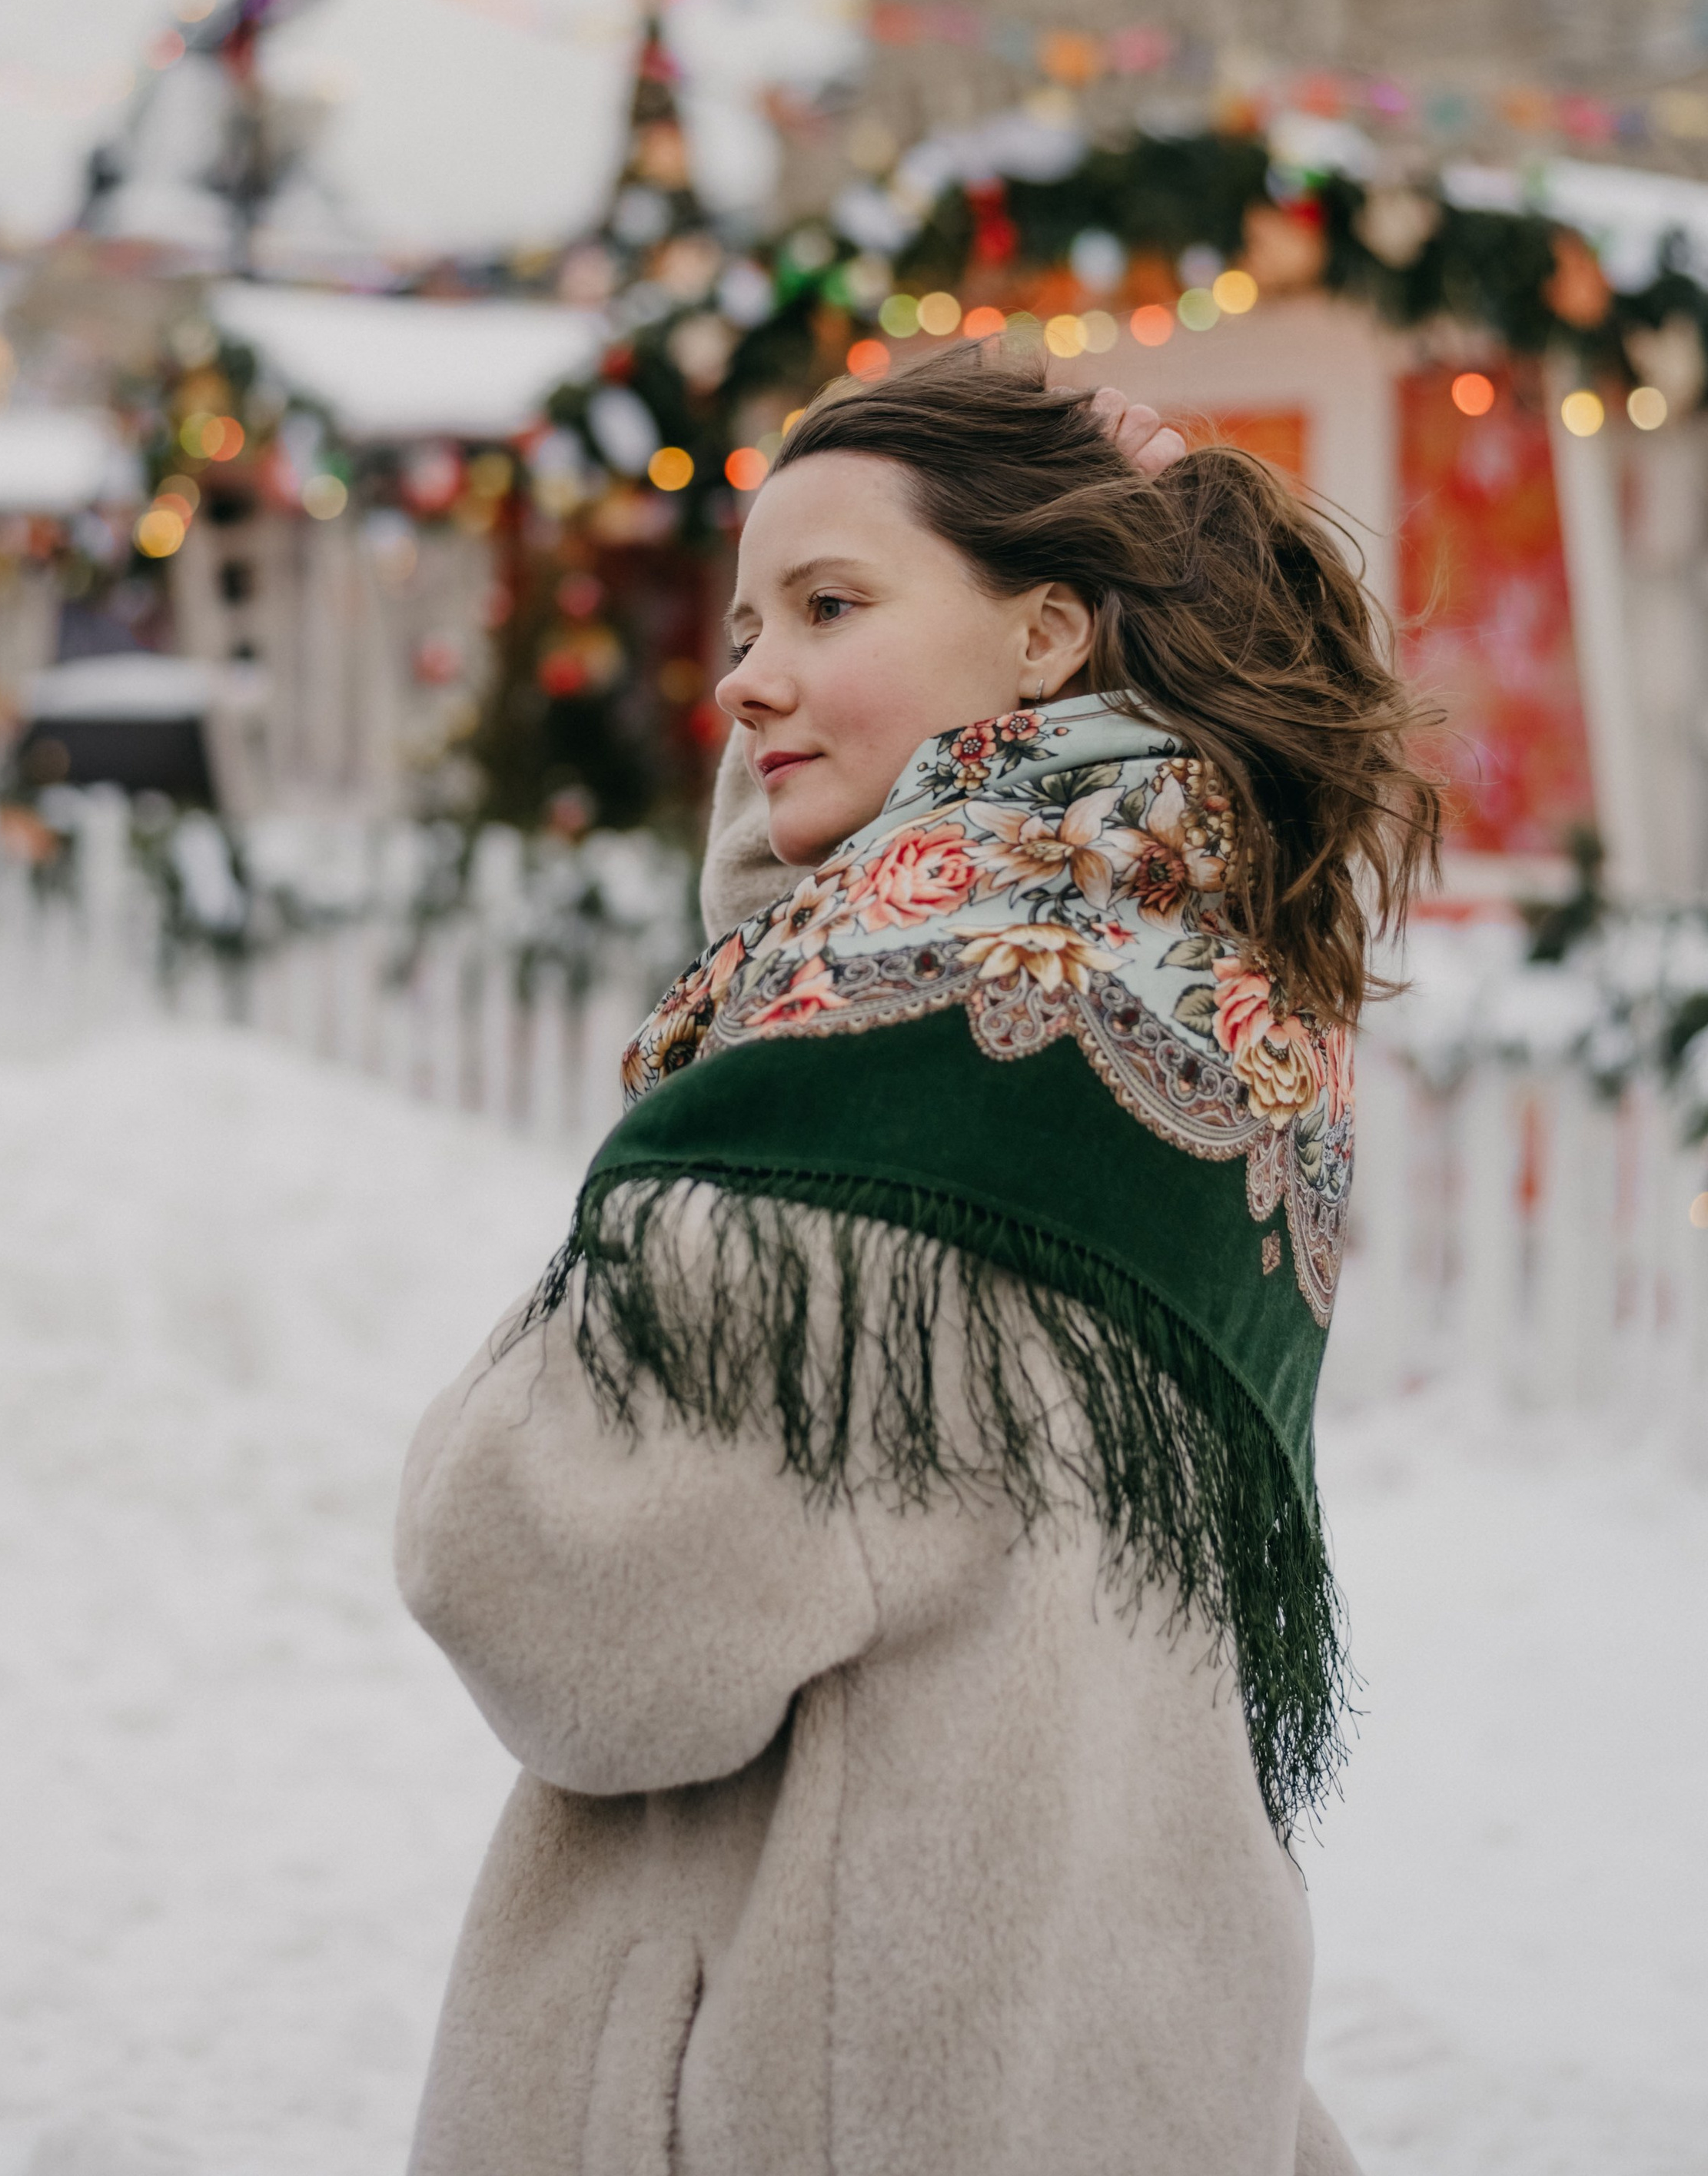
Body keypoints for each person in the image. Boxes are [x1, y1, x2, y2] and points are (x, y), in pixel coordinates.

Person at [397, 350, 1438, 2176]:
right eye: (742, 626)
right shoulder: (1184, 979)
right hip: (1130, 2068)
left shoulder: (879, 1095)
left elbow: (545, 1591)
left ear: (1045, 635)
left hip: (832, 2084)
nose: (743, 678)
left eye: (827, 604)